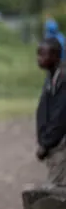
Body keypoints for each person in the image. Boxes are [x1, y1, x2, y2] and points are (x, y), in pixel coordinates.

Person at [36, 37, 66, 186]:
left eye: (43, 54)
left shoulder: (62, 79)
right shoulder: (51, 77)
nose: (39, 58)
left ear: (55, 56)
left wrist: (46, 144)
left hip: (59, 144)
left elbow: (60, 117)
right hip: (53, 144)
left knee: (55, 190)